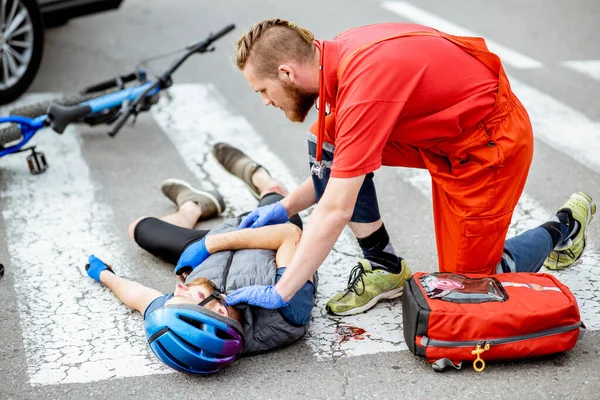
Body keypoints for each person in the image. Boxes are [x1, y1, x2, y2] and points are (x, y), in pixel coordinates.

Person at [218, 19, 596, 316]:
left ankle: (565, 227)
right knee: (326, 135)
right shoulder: (338, 56)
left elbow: (335, 208)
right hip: (444, 134)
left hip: (490, 147)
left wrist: (282, 291)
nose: (266, 102)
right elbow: (337, 163)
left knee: (467, 287)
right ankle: (384, 265)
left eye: (262, 91)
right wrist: (282, 209)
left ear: (286, 73)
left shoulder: (364, 89)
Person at [85, 143, 317, 374]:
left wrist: (103, 274)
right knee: (276, 195)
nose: (177, 287)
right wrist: (213, 243)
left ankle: (192, 206)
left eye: (173, 297)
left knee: (139, 228)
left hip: (209, 248)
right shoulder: (287, 309)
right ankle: (259, 177)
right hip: (265, 230)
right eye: (184, 295)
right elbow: (289, 235)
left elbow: (140, 298)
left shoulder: (190, 313)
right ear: (220, 311)